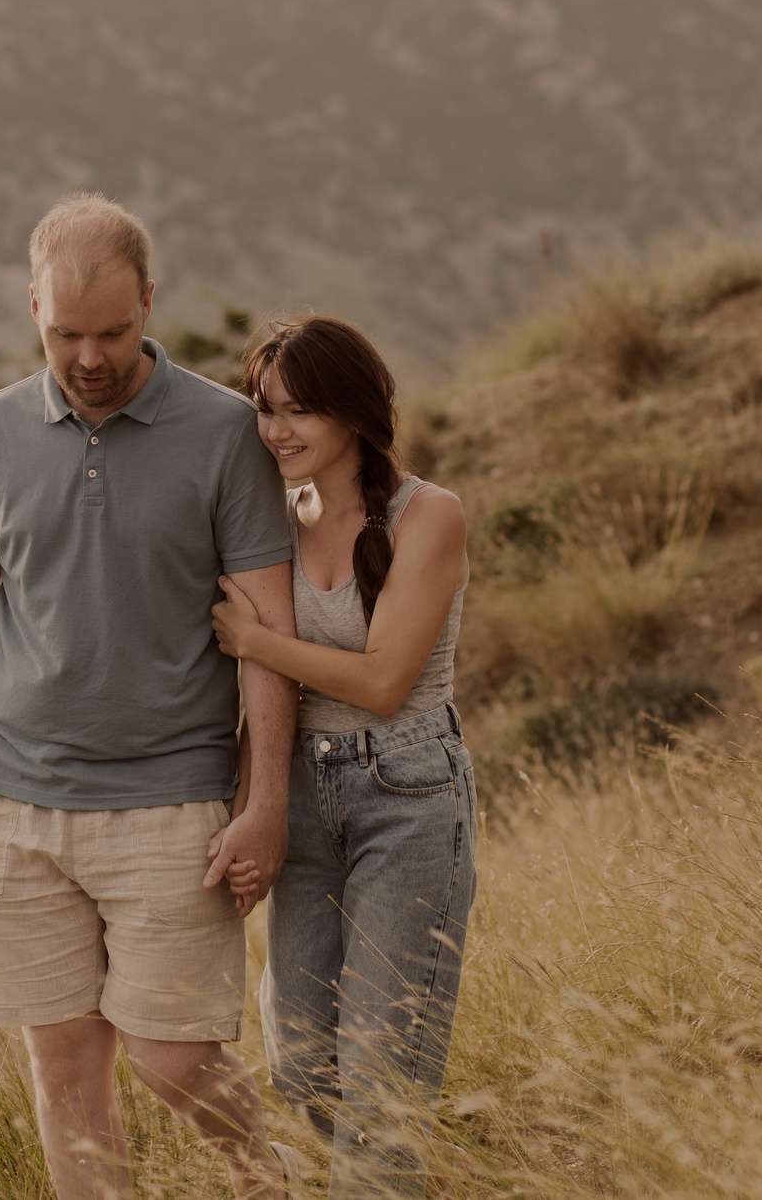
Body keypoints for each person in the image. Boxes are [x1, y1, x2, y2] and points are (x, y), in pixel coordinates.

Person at [0, 193, 304, 1200]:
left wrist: (264, 803)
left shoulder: (222, 435)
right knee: (64, 1066)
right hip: (16, 808)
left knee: (173, 1060)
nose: (88, 356)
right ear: (31, 304)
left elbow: (268, 637)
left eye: (113, 332)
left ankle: (279, 1184)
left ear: (150, 304)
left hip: (171, 803)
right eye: (65, 331)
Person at [208, 315, 474, 1199]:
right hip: (301, 796)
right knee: (301, 1060)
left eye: (301, 410)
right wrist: (256, 801)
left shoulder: (426, 515)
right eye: (265, 408)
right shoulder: (268, 518)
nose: (277, 430)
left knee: (384, 1065)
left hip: (409, 790)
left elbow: (385, 680)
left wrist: (256, 638)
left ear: (355, 412)